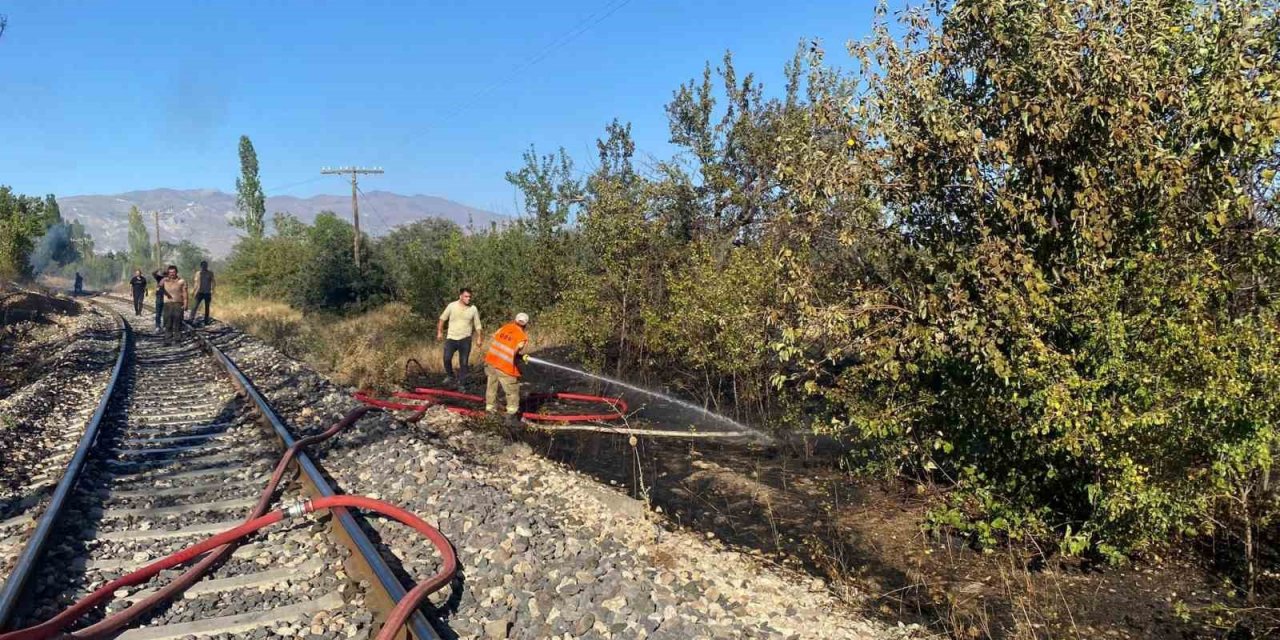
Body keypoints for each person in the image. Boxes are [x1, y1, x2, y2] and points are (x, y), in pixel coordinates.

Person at [484, 312, 529, 426]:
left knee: (491, 385)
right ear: (526, 324)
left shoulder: (505, 327)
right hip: (504, 366)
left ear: (515, 320)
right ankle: (511, 417)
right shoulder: (522, 336)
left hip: (491, 360)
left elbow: (497, 339)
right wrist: (519, 357)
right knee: (512, 390)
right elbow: (513, 352)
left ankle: (489, 410)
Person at [436, 288, 482, 389]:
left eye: (470, 297)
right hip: (451, 337)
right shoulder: (452, 306)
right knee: (446, 358)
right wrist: (439, 332)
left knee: (464, 362)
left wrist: (479, 338)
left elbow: (477, 324)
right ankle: (450, 375)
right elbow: (442, 319)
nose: (468, 298)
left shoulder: (473, 308)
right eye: (466, 296)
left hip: (465, 338)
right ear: (460, 296)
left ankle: (462, 383)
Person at [159, 265, 187, 346]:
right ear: (168, 273)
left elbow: (185, 292)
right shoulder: (164, 280)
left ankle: (177, 341)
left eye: (173, 272)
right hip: (167, 304)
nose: (172, 274)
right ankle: (167, 341)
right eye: (170, 272)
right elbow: (159, 287)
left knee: (178, 323)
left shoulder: (181, 281)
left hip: (178, 304)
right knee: (168, 323)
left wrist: (186, 303)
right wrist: (163, 279)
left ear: (176, 272)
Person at [188, 260, 215, 325]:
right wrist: (193, 291)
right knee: (194, 306)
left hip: (207, 292)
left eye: (205, 265)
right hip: (199, 292)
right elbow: (195, 283)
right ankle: (191, 319)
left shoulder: (210, 273)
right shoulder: (198, 273)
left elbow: (213, 282)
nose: (204, 267)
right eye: (203, 265)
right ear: (201, 266)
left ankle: (206, 321)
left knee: (207, 307)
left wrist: (212, 289)